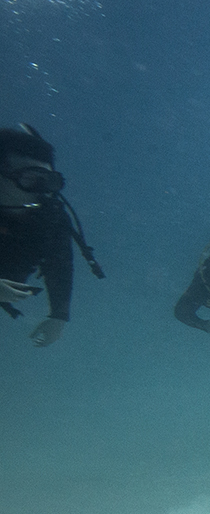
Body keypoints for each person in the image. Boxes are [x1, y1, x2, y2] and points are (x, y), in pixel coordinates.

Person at [1, 123, 104, 347]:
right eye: (28, 179)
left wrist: (59, 315)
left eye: (47, 181)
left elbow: (60, 264)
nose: (40, 190)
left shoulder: (50, 217)